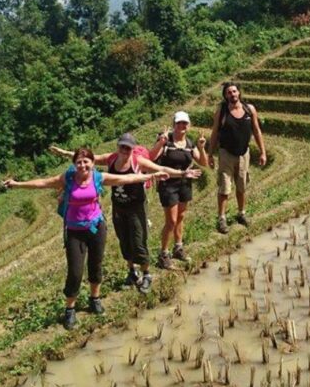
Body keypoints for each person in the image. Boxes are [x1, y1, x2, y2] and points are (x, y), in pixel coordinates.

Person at [3, 147, 169, 329]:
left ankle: (95, 299)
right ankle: (70, 310)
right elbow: (43, 182)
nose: (82, 165)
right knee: (75, 271)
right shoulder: (67, 178)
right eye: (79, 162)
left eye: (86, 161)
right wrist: (18, 184)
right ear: (74, 164)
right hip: (74, 230)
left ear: (92, 163)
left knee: (95, 265)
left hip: (97, 227)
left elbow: (126, 178)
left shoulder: (98, 177)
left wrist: (151, 176)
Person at [49, 134, 201, 294]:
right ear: (118, 146)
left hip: (136, 207)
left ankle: (146, 274)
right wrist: (63, 152)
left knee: (138, 240)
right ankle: (132, 271)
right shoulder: (111, 158)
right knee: (124, 240)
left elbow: (161, 169)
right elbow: (88, 158)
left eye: (128, 148)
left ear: (133, 149)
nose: (124, 150)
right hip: (119, 207)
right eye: (122, 146)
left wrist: (182, 174)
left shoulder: (137, 161)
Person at [149, 111, 208, 269]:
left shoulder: (189, 144)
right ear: (174, 124)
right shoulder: (166, 142)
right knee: (171, 221)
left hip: (184, 184)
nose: (182, 126)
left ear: (188, 125)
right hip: (168, 185)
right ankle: (163, 254)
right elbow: (151, 158)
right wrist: (160, 143)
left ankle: (178, 247)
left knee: (180, 217)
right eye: (179, 123)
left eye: (185, 123)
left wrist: (201, 148)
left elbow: (204, 162)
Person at [208, 82, 266, 234]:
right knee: (224, 188)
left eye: (234, 91)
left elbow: (257, 131)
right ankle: (221, 218)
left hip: (243, 154)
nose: (232, 94)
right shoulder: (222, 111)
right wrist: (209, 154)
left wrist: (263, 152)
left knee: (241, 186)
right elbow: (215, 133)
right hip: (226, 154)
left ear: (239, 93)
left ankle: (241, 213)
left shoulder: (249, 109)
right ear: (225, 96)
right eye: (229, 92)